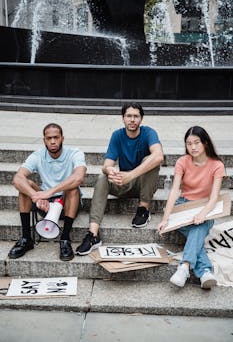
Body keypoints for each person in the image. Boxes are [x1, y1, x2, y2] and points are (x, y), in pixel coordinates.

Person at [76, 102, 164, 255]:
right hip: (123, 182)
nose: (132, 120)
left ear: (141, 119)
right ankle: (93, 235)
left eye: (136, 116)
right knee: (102, 178)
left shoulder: (149, 133)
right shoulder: (117, 135)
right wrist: (110, 170)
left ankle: (143, 209)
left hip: (144, 184)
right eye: (128, 116)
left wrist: (131, 174)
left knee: (151, 160)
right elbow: (106, 164)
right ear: (123, 118)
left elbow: (159, 156)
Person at [157, 126, 226, 289]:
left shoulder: (217, 165)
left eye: (197, 142)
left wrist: (202, 214)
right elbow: (174, 191)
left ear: (205, 143)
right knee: (197, 231)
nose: (193, 147)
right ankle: (205, 272)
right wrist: (166, 218)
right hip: (183, 205)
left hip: (206, 207)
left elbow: (214, 197)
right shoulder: (183, 161)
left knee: (199, 226)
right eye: (189, 144)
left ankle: (185, 266)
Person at [8, 123, 86, 261]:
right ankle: (26, 238)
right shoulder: (37, 155)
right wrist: (36, 197)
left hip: (67, 201)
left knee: (72, 187)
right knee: (26, 185)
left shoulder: (75, 153)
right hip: (45, 203)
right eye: (49, 138)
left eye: (56, 137)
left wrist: (50, 192)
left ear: (62, 138)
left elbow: (79, 177)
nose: (53, 141)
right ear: (44, 140)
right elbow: (18, 178)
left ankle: (65, 239)